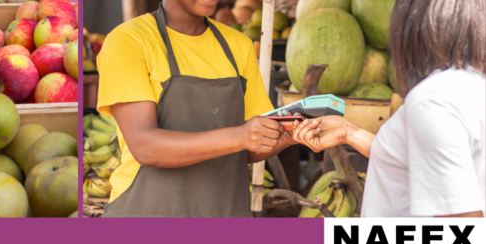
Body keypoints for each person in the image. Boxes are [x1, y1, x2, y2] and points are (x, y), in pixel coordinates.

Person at [97, 0, 297, 217]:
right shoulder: (130, 40)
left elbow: (251, 146)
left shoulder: (239, 45)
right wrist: (240, 135)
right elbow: (145, 146)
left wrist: (292, 134)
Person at [292, 0, 485, 217]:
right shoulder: (471, 86)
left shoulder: (432, 101)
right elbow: (423, 163)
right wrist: (350, 132)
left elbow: (465, 233)